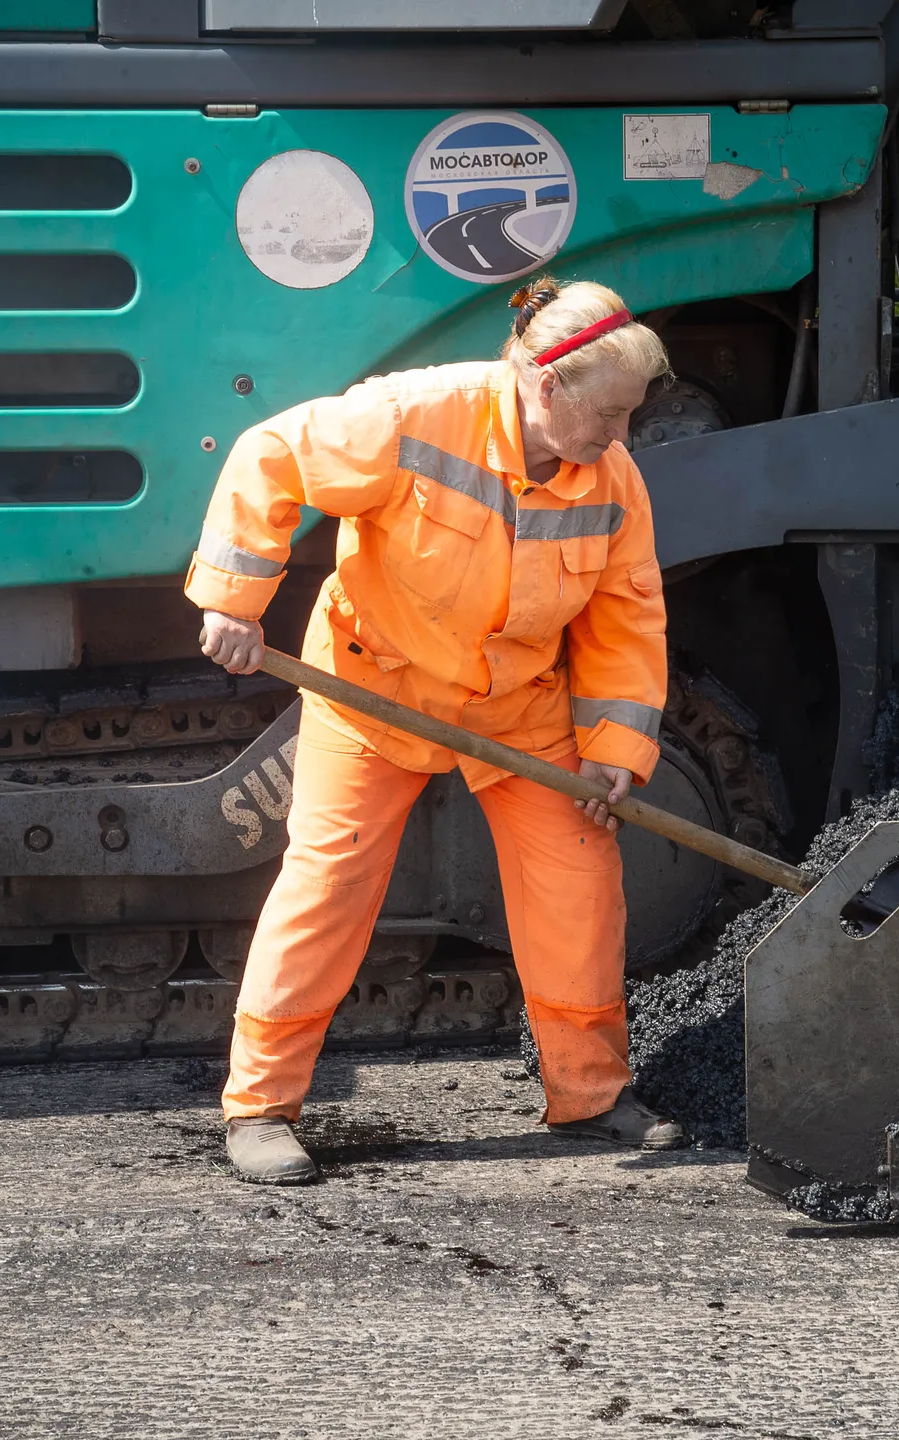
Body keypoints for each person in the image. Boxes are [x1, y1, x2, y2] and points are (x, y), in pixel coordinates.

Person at [190, 277, 685, 1185]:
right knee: (329, 885)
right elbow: (271, 455)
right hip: (374, 688)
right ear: (548, 384)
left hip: (516, 707)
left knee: (580, 882)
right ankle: (259, 1109)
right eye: (610, 413)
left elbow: (626, 616)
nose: (621, 435)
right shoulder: (415, 416)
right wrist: (234, 600)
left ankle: (590, 1094)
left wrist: (616, 752)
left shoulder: (613, 480)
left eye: (630, 415)